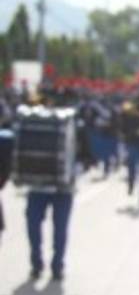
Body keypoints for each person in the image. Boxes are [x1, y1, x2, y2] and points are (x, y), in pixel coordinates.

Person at [19, 88, 79, 281]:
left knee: (51, 228)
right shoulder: (34, 121)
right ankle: (44, 264)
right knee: (44, 227)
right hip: (48, 187)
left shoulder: (69, 122)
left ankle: (50, 265)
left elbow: (83, 152)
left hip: (55, 188)